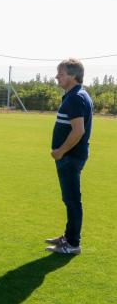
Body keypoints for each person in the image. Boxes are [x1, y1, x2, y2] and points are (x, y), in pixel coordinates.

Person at [45, 59, 93, 255]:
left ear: (73, 76)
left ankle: (73, 243)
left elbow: (78, 131)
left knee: (72, 200)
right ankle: (69, 235)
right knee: (70, 199)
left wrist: (61, 151)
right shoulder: (74, 95)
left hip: (70, 157)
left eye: (61, 73)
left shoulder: (75, 97)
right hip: (70, 157)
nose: (57, 76)